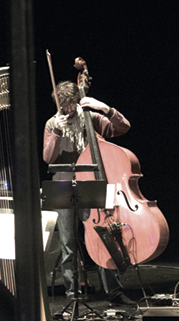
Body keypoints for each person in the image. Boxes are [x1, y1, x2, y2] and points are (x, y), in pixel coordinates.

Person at [43, 80, 135, 307]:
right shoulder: (52, 123)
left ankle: (113, 291)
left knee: (102, 236)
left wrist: (104, 108)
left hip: (92, 183)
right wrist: (57, 132)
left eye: (71, 105)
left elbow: (123, 127)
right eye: (64, 107)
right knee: (67, 243)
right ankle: (72, 293)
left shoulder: (90, 117)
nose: (69, 110)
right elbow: (48, 158)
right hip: (64, 185)